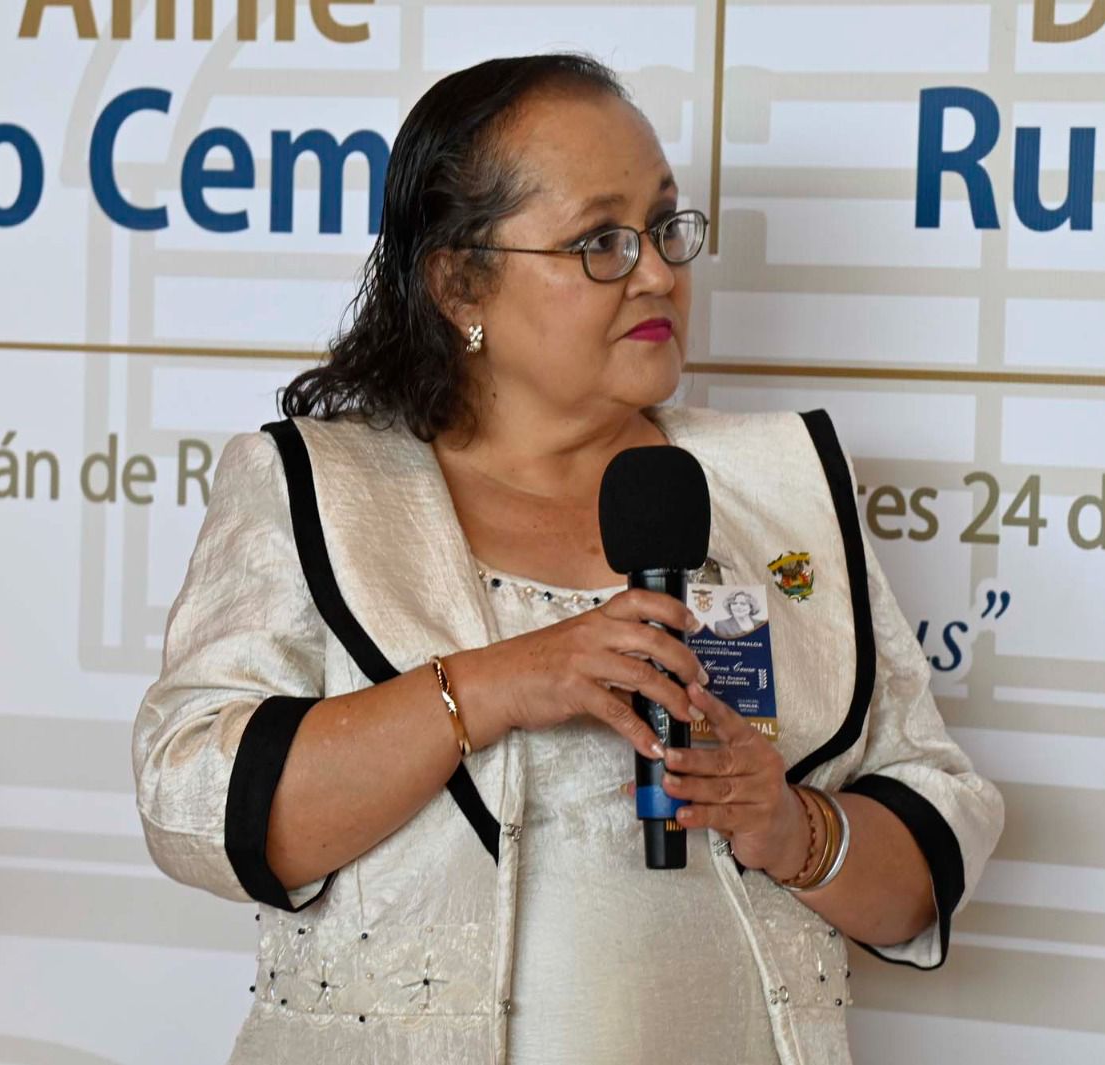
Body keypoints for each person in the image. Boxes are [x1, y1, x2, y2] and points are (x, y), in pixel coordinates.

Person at [132, 53, 1004, 1065]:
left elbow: (928, 853)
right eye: (600, 241)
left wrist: (795, 829)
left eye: (665, 226)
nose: (658, 273)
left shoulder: (785, 484)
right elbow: (193, 805)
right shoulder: (318, 488)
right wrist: (493, 686)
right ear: (460, 282)